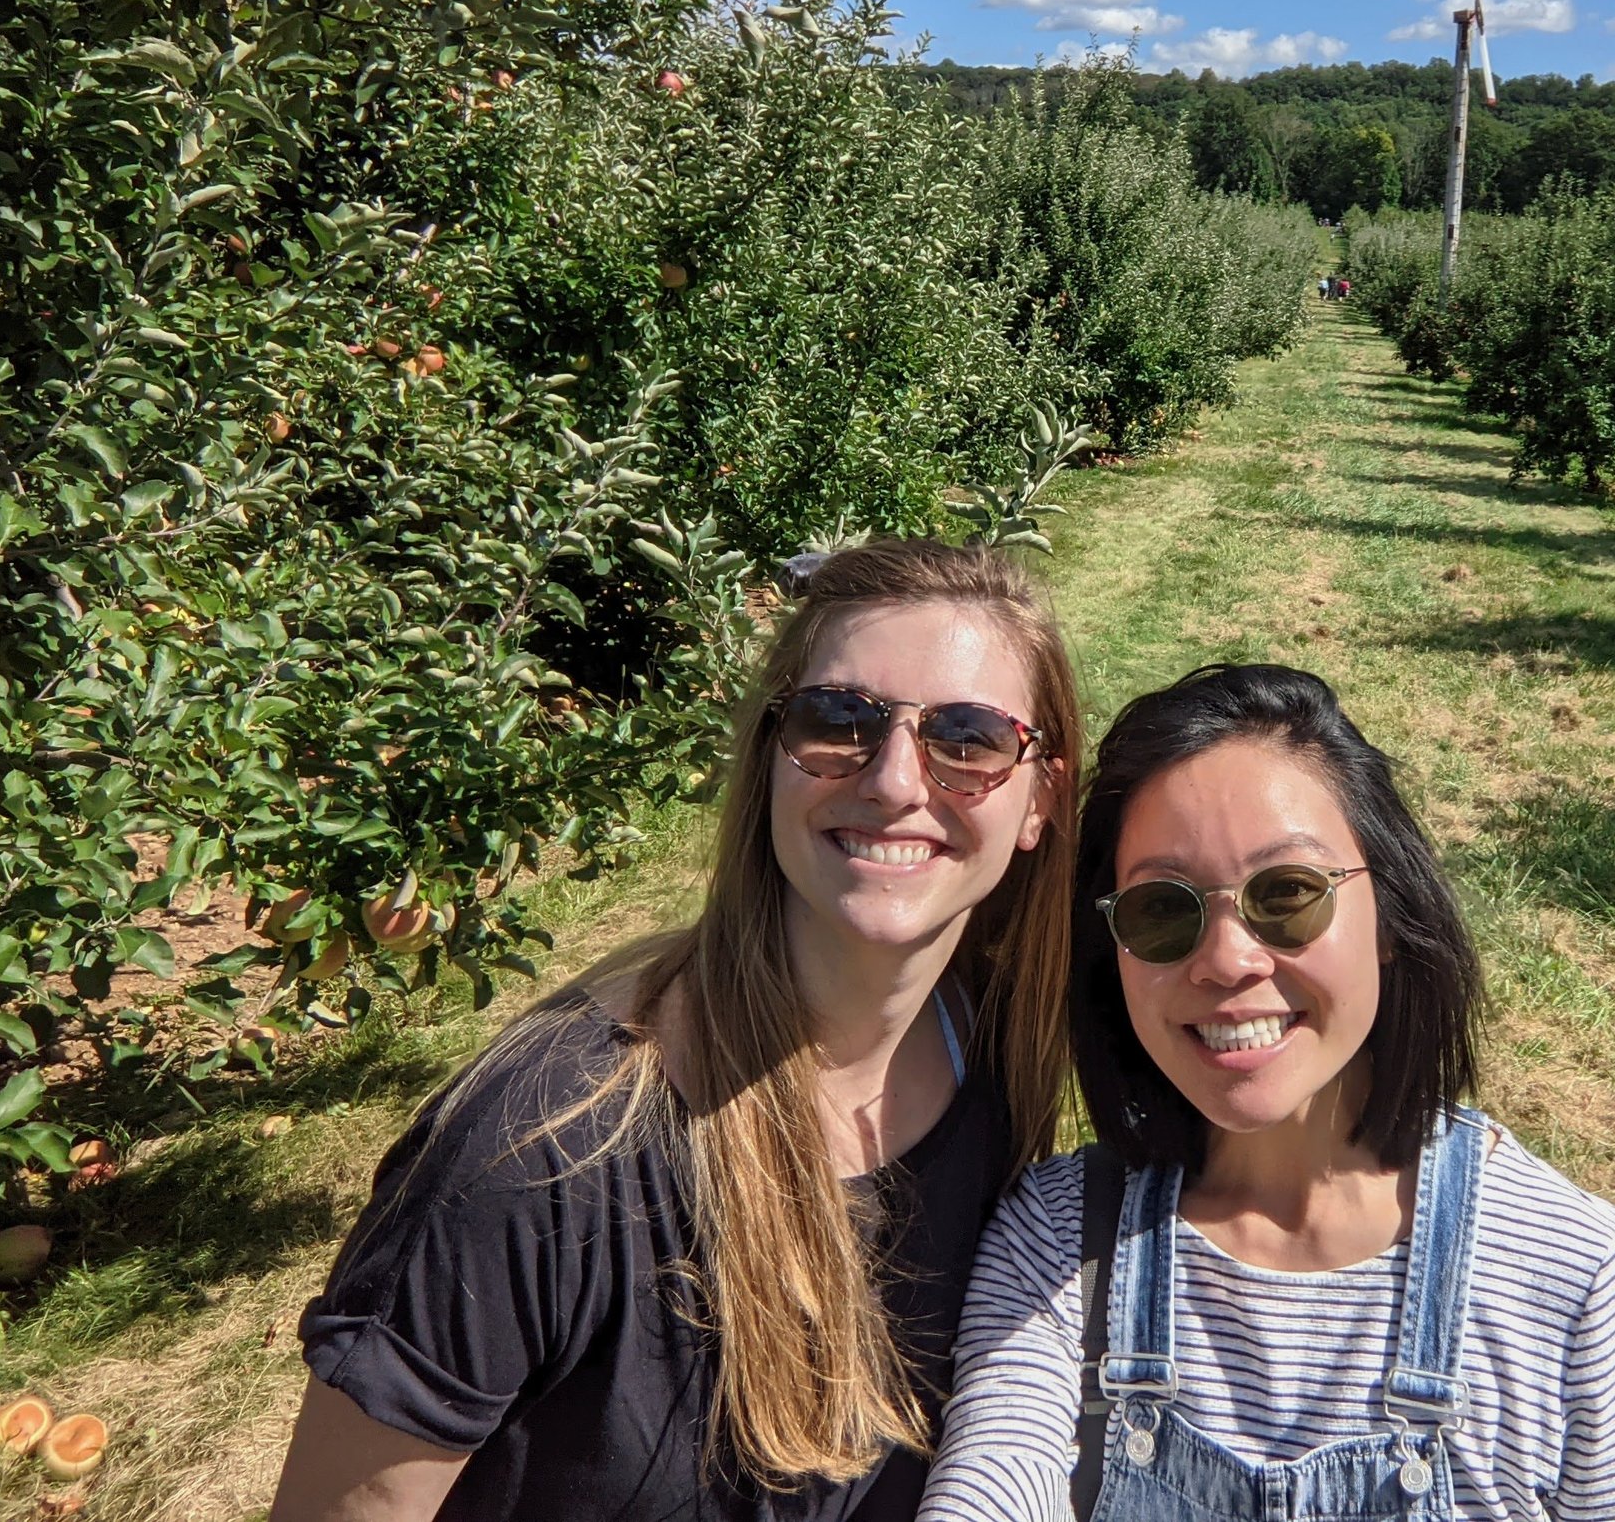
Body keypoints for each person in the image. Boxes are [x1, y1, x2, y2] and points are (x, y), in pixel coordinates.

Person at [271, 539, 1081, 1522]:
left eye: (969, 738)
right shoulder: (547, 1145)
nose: (895, 781)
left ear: (1040, 798)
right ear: (770, 755)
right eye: (839, 720)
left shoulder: (989, 1046)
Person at [919, 664, 1615, 1521]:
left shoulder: (1568, 1277)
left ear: (1389, 914)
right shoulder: (1061, 1242)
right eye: (1162, 910)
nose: (1227, 959)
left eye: (1286, 893)